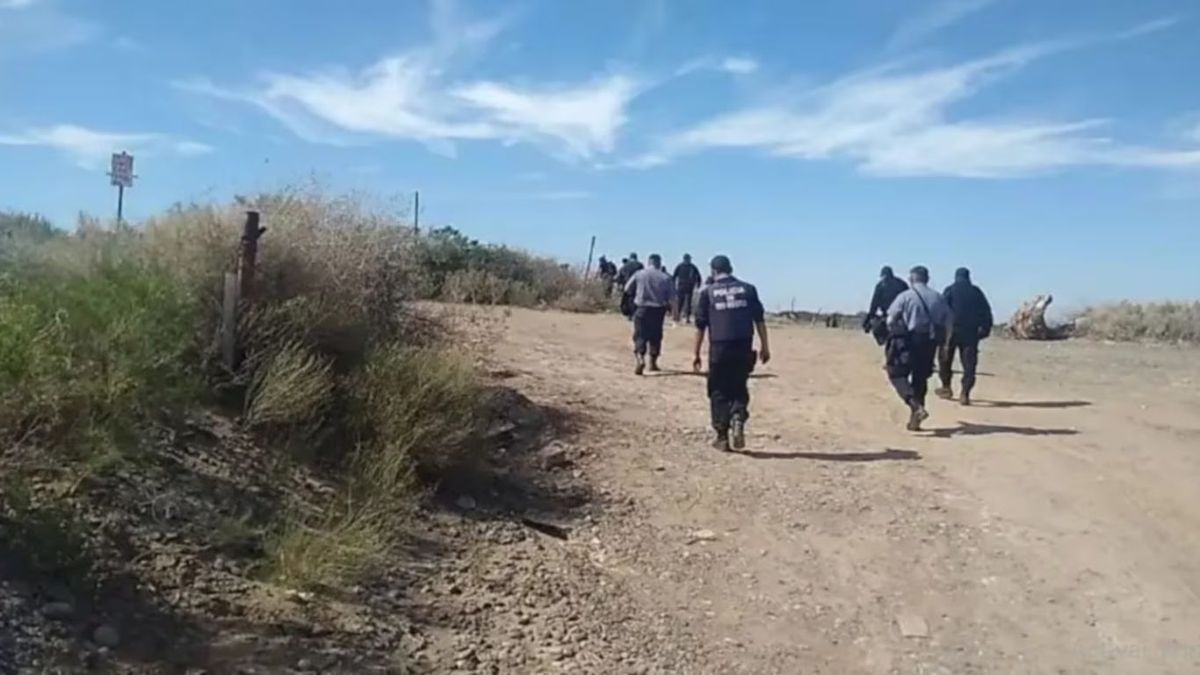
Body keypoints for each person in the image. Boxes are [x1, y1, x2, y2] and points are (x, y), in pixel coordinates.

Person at [693, 255, 771, 452]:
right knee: (738, 385)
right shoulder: (748, 289)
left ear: (713, 271)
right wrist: (765, 346)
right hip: (743, 345)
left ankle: (722, 436)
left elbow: (700, 327)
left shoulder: (708, 293)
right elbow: (760, 320)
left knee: (718, 390)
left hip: (719, 347)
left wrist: (696, 353)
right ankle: (737, 415)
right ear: (731, 268)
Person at [885, 265, 951, 431]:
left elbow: (890, 319)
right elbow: (949, 321)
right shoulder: (938, 297)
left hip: (908, 341)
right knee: (920, 378)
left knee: (896, 374)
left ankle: (914, 406)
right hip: (929, 342)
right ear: (927, 279)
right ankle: (916, 418)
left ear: (912, 278)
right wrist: (945, 344)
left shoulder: (906, 296)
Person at [936, 267, 993, 405]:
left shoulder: (949, 290)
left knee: (945, 360)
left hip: (951, 333)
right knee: (969, 365)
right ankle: (965, 393)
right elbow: (986, 312)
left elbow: (941, 311)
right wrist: (985, 330)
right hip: (970, 333)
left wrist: (939, 331)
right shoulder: (976, 292)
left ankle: (946, 386)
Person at [625, 254, 675, 374]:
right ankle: (653, 362)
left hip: (642, 308)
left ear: (649, 262)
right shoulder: (666, 277)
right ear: (659, 262)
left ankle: (640, 358)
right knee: (656, 335)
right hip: (658, 310)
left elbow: (627, 288)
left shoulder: (640, 274)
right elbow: (672, 297)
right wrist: (674, 312)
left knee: (640, 334)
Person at [862, 266, 909, 345]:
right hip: (902, 317)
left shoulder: (881, 285)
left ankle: (884, 341)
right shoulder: (902, 283)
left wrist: (867, 323)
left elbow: (874, 305)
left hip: (889, 316)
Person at [672, 253, 703, 324]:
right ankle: (678, 317)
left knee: (688, 303)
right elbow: (674, 276)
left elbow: (698, 276)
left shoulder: (693, 267)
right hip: (681, 287)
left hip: (689, 287)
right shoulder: (680, 266)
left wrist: (698, 284)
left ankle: (687, 318)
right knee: (680, 302)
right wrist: (673, 285)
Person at [616, 253, 644, 319]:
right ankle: (635, 314)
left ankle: (629, 314)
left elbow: (620, 275)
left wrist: (619, 284)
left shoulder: (625, 265)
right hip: (637, 285)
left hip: (627, 285)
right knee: (636, 300)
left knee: (628, 300)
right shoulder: (640, 265)